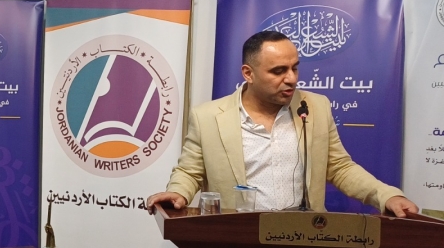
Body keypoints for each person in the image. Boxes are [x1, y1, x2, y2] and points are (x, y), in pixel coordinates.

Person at [147, 30, 418, 217]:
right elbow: (191, 171)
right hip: (237, 241)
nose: (291, 78)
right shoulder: (207, 117)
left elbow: (339, 167)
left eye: (294, 67)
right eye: (278, 71)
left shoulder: (316, 107)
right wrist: (177, 193)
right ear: (248, 73)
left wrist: (386, 195)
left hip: (304, 239)